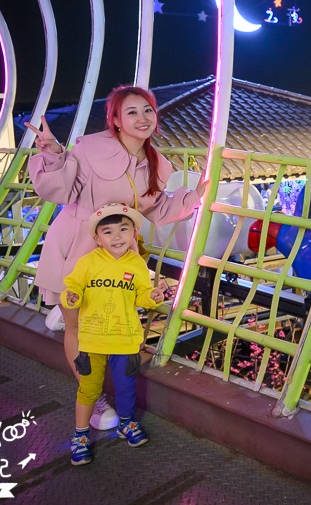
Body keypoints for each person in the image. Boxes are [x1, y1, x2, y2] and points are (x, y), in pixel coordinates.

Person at [25, 85, 208, 430]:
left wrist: (193, 197)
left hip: (120, 256)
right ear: (116, 120)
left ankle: (61, 309)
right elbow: (61, 190)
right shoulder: (91, 150)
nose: (143, 118)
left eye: (148, 111)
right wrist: (52, 154)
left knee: (107, 321)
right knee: (79, 327)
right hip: (79, 247)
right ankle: (91, 398)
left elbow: (157, 208)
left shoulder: (154, 163)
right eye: (132, 112)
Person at [63, 202, 162, 465]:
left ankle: (126, 424)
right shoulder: (87, 262)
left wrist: (151, 296)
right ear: (97, 238)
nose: (117, 236)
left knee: (126, 387)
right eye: (108, 232)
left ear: (134, 233)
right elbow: (72, 289)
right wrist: (71, 296)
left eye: (123, 229)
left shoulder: (137, 264)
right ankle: (81, 435)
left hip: (125, 340)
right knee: (88, 389)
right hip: (91, 339)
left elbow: (142, 295)